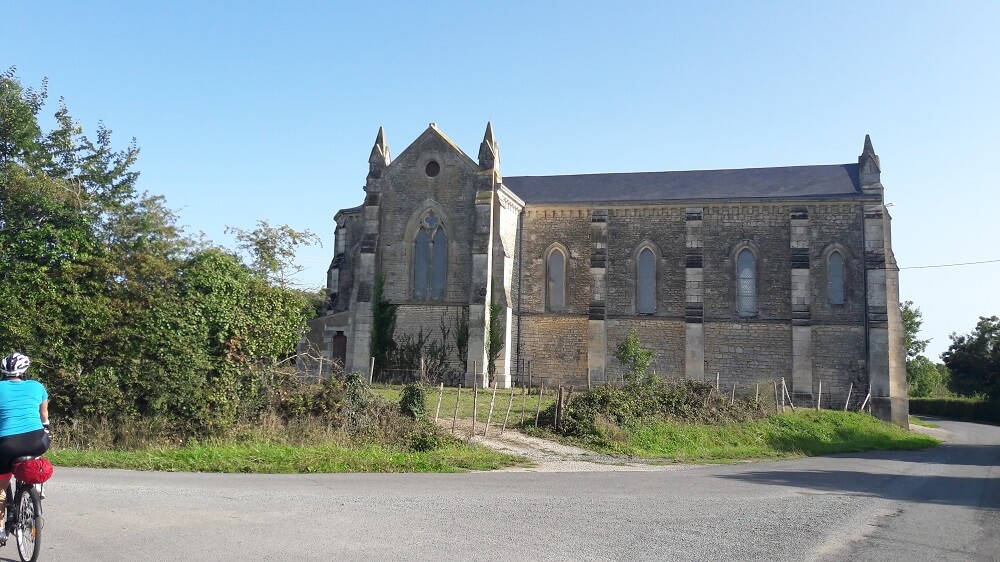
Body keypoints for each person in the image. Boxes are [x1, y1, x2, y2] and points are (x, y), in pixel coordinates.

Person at [0, 353, 50, 540]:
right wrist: (45, 428)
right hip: (36, 441)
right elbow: (44, 416)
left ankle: (0, 530)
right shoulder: (37, 386)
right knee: (39, 447)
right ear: (24, 371)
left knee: (0, 489)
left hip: (7, 445)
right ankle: (37, 484)